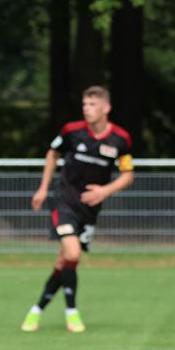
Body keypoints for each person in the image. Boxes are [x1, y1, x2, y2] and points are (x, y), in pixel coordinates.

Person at [21, 86, 135, 333]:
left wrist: (105, 191)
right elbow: (52, 154)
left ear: (106, 108)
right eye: (84, 104)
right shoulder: (72, 131)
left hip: (89, 210)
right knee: (72, 253)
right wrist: (42, 189)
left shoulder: (120, 139)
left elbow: (127, 175)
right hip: (64, 202)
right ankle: (72, 312)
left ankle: (36, 310)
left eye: (92, 105)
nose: (87, 109)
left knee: (65, 260)